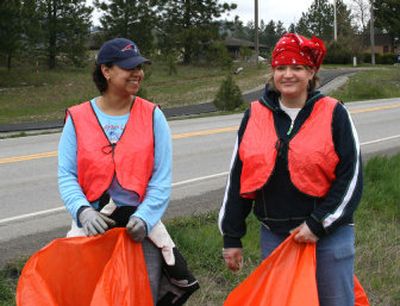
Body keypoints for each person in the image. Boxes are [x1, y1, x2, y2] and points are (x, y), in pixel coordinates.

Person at [218, 33, 363, 306]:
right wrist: (231, 236)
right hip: (275, 237)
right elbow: (239, 178)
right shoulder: (254, 115)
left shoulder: (334, 113)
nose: (288, 74)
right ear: (272, 72)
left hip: (329, 236)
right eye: (281, 68)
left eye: (297, 67)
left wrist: (318, 223)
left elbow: (351, 178)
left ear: (311, 73)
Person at [58, 38, 198, 305]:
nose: (138, 73)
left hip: (140, 230)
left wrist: (145, 218)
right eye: (128, 67)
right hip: (92, 227)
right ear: (106, 71)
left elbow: (161, 178)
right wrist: (83, 211)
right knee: (87, 294)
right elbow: (66, 175)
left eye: (140, 67)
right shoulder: (77, 118)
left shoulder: (153, 115)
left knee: (140, 294)